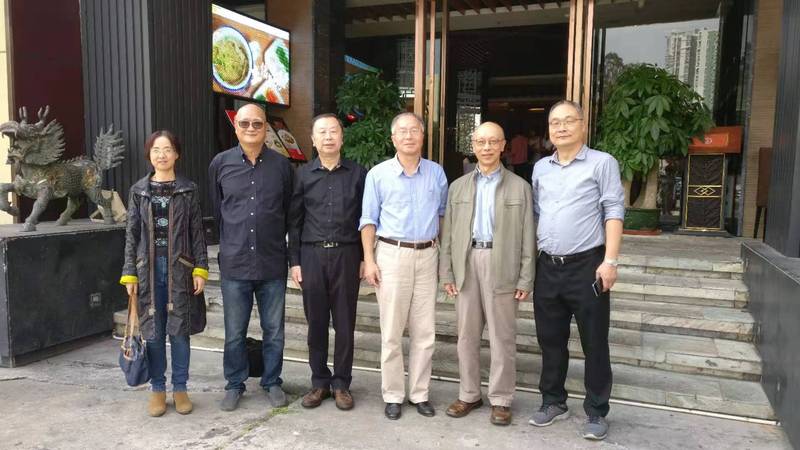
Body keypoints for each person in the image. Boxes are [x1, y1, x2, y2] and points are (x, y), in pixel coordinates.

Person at [528, 100, 624, 440]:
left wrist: (610, 261)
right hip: (548, 266)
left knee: (594, 342)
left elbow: (614, 211)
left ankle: (597, 410)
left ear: (583, 125)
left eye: (569, 120)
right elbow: (537, 213)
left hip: (588, 266)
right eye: (555, 122)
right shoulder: (540, 168)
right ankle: (553, 401)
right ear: (549, 130)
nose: (562, 127)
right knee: (550, 340)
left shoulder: (602, 163)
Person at [439, 122, 535, 426]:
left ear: (503, 146)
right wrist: (447, 273)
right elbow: (448, 234)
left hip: (502, 262)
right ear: (474, 146)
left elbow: (528, 236)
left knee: (502, 337)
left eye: (493, 142)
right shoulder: (458, 186)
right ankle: (469, 394)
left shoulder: (519, 187)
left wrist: (526, 277)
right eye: (481, 142)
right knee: (466, 336)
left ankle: (501, 399)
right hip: (466, 262)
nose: (487, 147)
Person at [360, 112, 448, 420]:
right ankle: (393, 394)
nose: (409, 136)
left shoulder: (436, 173)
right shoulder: (378, 174)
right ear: (393, 138)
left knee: (425, 331)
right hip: (391, 255)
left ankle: (420, 393)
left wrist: (444, 258)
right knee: (392, 331)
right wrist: (369, 260)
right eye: (402, 131)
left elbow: (442, 216)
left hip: (427, 254)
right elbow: (368, 220)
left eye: (414, 130)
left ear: (423, 136)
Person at [209, 103, 293, 411]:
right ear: (236, 127)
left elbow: (288, 213)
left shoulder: (282, 166)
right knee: (234, 333)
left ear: (266, 127)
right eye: (244, 123)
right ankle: (234, 384)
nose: (251, 129)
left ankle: (272, 381)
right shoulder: (221, 164)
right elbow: (218, 210)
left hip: (272, 263)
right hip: (235, 263)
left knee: (274, 331)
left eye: (257, 123)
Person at [120, 130, 209, 417]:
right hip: (147, 269)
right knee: (154, 333)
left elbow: (197, 231)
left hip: (179, 269)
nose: (162, 155)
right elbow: (131, 235)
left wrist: (200, 268)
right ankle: (158, 389)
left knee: (179, 331)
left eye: (167, 149)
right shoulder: (138, 191)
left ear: (176, 154)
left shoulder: (188, 189)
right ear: (149, 155)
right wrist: (130, 272)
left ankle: (180, 388)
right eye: (156, 150)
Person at [288, 113, 367, 410]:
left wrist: (365, 258)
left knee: (345, 324)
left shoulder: (358, 174)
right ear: (313, 139)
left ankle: (342, 383)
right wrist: (295, 261)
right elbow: (294, 221)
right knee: (316, 324)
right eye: (322, 132)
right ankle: (319, 382)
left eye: (334, 131)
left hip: (348, 255)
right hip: (312, 256)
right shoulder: (302, 175)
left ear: (342, 138)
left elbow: (366, 219)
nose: (328, 137)